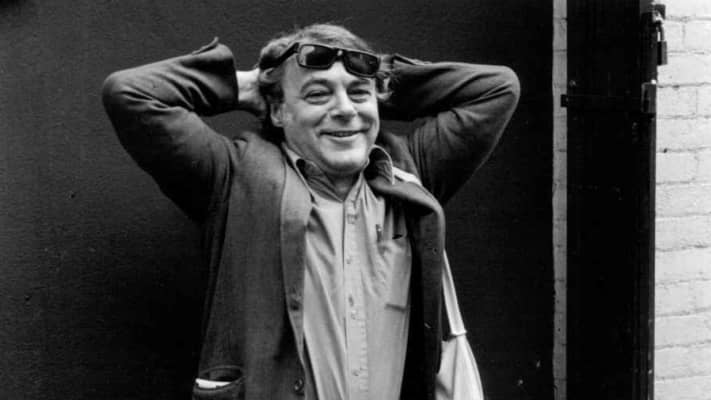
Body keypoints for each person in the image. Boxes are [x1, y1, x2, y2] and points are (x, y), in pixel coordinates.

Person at [102, 23, 519, 400]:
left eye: (358, 93)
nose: (345, 109)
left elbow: (498, 89)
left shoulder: (410, 172)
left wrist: (381, 83)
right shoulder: (232, 176)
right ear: (278, 110)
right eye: (318, 94)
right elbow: (131, 93)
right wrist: (246, 86)